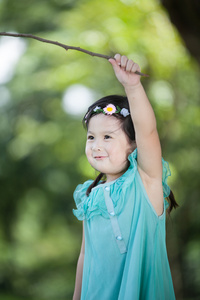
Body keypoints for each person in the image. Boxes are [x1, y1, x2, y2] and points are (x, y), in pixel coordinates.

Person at [72, 54, 178, 300]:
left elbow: (147, 130)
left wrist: (132, 86)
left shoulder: (145, 183)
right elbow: (86, 256)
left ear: (133, 145)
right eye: (91, 137)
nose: (96, 145)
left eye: (107, 137)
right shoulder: (90, 197)